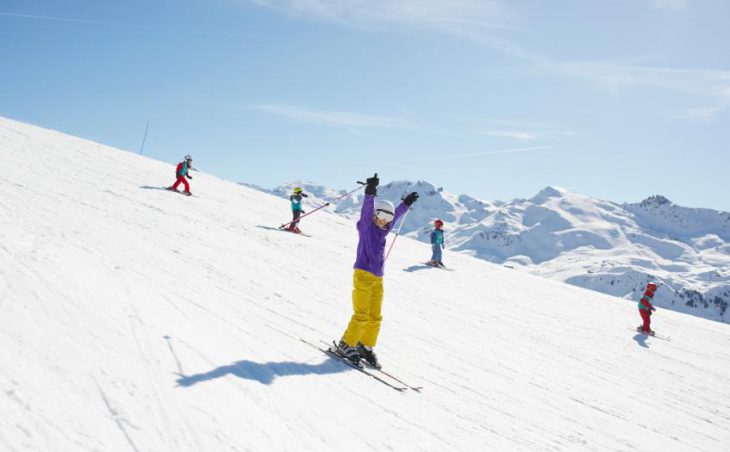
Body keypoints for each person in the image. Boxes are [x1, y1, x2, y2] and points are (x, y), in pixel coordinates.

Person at [333, 173, 419, 368]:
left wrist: (406, 203)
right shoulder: (367, 227)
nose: (384, 220)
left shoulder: (385, 229)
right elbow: (366, 211)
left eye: (387, 218)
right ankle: (346, 343)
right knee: (361, 314)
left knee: (375, 316)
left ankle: (365, 345)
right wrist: (370, 192)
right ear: (375, 215)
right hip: (363, 274)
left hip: (378, 278)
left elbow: (396, 215)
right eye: (381, 216)